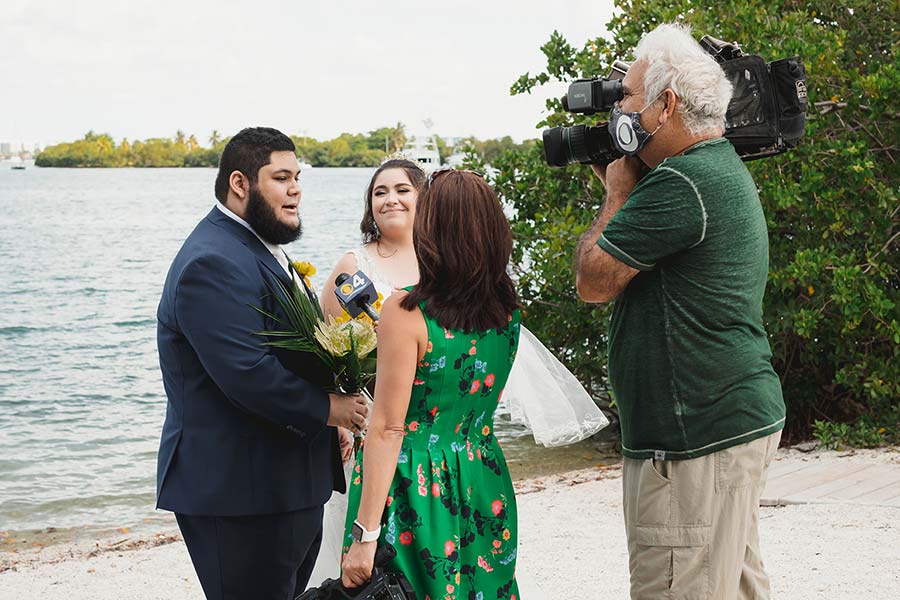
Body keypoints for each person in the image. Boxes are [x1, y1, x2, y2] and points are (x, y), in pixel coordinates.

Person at [574, 24, 786, 599]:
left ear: (665, 106)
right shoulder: (709, 168)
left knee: (676, 587)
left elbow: (593, 281)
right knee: (733, 585)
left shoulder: (683, 183)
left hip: (693, 440)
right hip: (726, 423)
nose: (619, 107)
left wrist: (616, 193)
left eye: (629, 97)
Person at [155, 127, 368, 600]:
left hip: (283, 485)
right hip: (241, 493)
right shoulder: (211, 260)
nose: (295, 190)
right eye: (281, 177)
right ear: (239, 183)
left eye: (297, 178)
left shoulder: (255, 248)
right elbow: (247, 373)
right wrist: (331, 409)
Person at [340, 170, 522, 599]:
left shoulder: (406, 312)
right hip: (483, 473)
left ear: (432, 230)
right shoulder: (507, 309)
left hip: (415, 483)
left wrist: (365, 535)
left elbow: (387, 427)